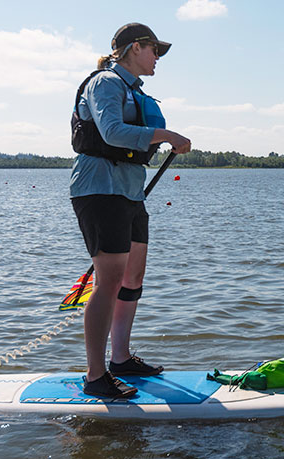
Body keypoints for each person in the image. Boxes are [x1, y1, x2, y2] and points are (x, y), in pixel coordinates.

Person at [69, 23, 192, 398]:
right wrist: (166, 136)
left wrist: (160, 141)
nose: (158, 58)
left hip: (130, 191)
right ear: (135, 48)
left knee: (132, 277)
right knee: (108, 282)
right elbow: (111, 132)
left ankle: (120, 358)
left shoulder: (134, 91)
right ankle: (95, 376)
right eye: (155, 50)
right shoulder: (105, 83)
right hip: (99, 189)